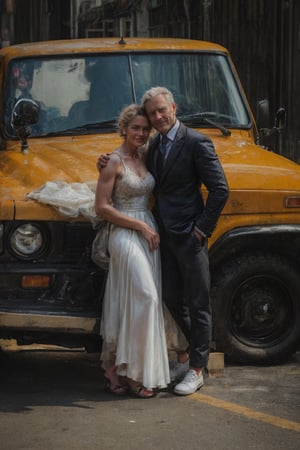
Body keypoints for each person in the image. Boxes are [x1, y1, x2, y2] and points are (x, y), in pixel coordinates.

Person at [98, 87, 230, 396]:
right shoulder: (152, 147)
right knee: (169, 300)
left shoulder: (197, 142)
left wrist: (201, 229)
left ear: (173, 107)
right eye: (151, 114)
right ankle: (183, 356)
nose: (157, 118)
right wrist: (104, 161)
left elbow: (220, 190)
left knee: (198, 303)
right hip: (159, 237)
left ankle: (196, 369)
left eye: (161, 110)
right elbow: (125, 167)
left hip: (189, 236)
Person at [94, 103, 186, 398]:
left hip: (149, 232)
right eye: (135, 127)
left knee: (136, 301)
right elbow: (102, 207)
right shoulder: (113, 161)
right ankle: (133, 374)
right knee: (146, 296)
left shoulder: (147, 155)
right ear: (124, 128)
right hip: (124, 231)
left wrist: (148, 228)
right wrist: (140, 226)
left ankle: (116, 370)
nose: (142, 132)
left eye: (145, 129)